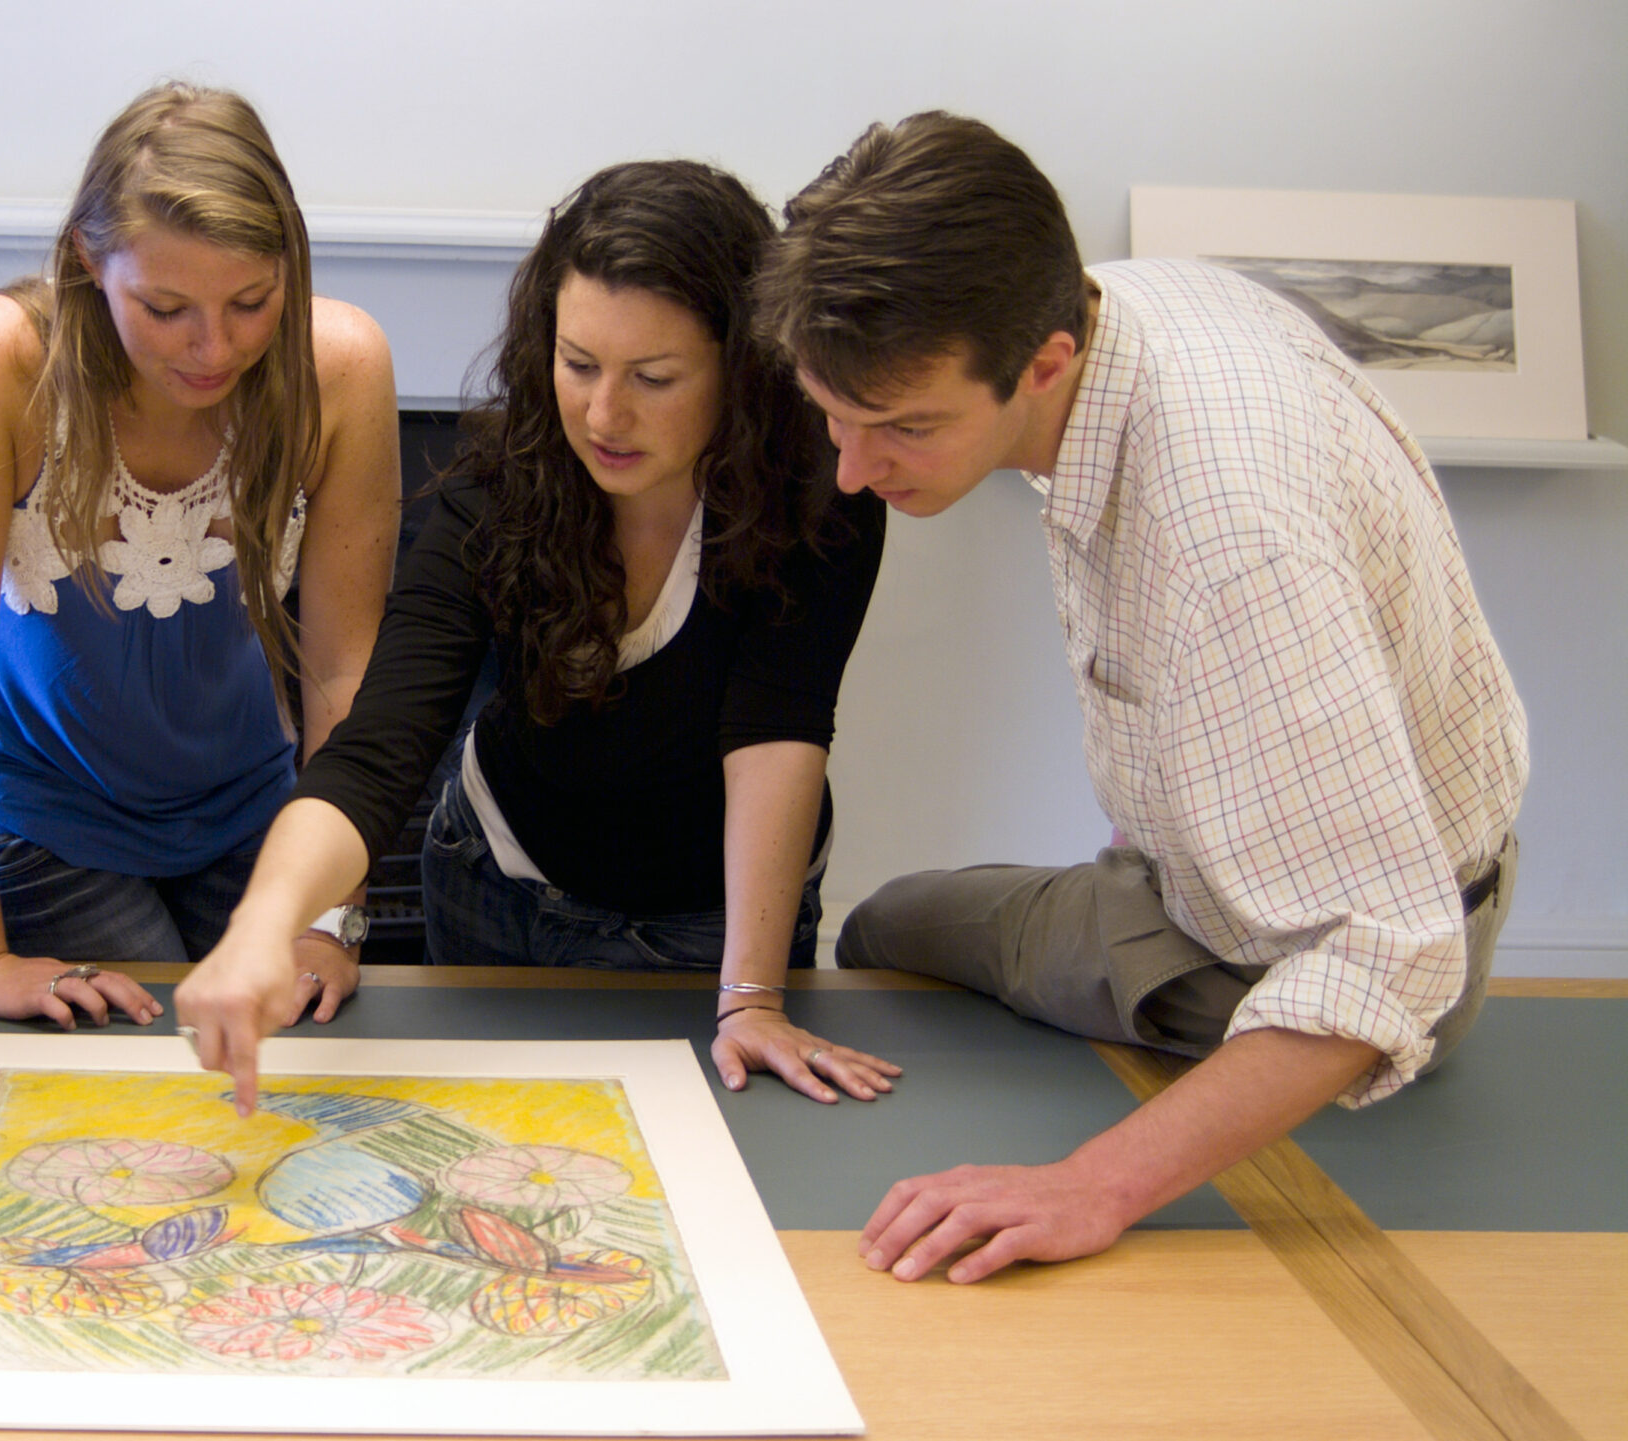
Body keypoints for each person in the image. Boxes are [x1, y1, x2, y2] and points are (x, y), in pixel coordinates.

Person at [755, 112, 1528, 1283]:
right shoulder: (1124, 298)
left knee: (883, 928)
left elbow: (1384, 953)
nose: (854, 470)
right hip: (1238, 875)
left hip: (1324, 954)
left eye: (905, 427)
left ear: (1046, 360)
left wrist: (1088, 1185)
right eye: (833, 416)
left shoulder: (1226, 535)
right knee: (892, 922)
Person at [176, 160, 897, 1113]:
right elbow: (383, 742)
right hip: (495, 881)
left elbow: (778, 729)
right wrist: (270, 924)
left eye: (654, 377)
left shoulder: (823, 489)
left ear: (742, 363)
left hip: (718, 921)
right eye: (579, 363)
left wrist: (752, 994)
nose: (605, 415)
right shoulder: (501, 486)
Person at [0, 83, 399, 1028]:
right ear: (89, 262)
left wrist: (332, 917)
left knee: (289, 1064)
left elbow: (343, 667)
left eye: (251, 302)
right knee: (157, 1070)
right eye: (166, 308)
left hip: (257, 810)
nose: (215, 348)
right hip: (49, 817)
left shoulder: (344, 367)